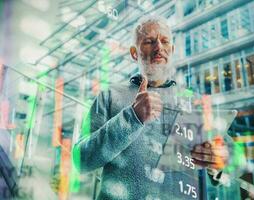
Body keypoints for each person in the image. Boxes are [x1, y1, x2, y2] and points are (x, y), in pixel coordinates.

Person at [73, 15, 231, 200]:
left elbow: (228, 160)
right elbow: (81, 160)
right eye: (149, 41)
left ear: (172, 50)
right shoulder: (110, 96)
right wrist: (131, 118)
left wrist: (220, 163)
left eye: (165, 41)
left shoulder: (194, 103)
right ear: (134, 53)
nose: (159, 47)